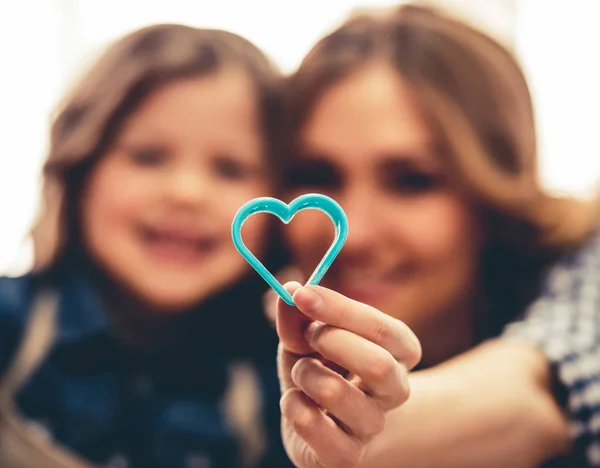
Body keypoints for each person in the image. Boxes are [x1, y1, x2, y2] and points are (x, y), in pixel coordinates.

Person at [273, 4, 600, 467]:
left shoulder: (584, 268)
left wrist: (364, 427)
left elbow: (540, 391)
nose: (355, 233)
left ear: (493, 194)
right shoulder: (237, 340)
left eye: (411, 180)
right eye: (318, 175)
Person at [0, 24, 292, 467]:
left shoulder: (282, 378)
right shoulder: (10, 326)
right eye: (148, 156)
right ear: (79, 169)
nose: (187, 192)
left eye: (230, 168)